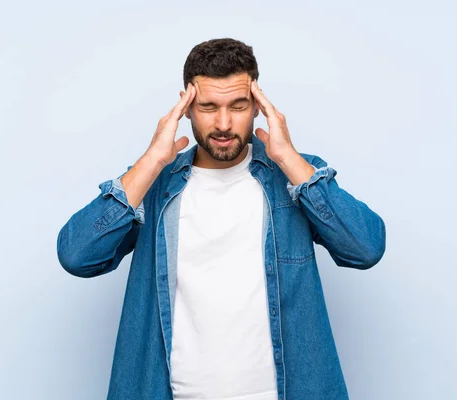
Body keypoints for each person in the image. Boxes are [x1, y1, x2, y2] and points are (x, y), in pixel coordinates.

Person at [57, 37, 386, 400]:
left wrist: (288, 157)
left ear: (258, 106)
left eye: (239, 106)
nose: (224, 123)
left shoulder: (294, 176)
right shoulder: (154, 183)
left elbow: (365, 248)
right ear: (186, 108)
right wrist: (151, 160)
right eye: (208, 106)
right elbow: (77, 256)